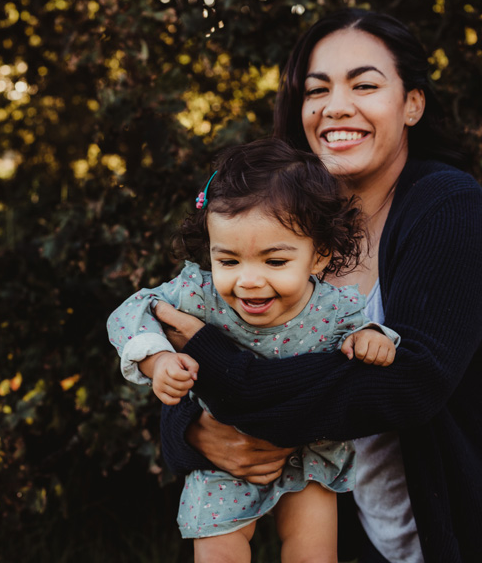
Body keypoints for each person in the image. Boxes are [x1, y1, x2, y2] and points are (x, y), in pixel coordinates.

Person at [155, 9, 482, 562]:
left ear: (413, 104)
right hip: (364, 542)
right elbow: (192, 340)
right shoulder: (287, 228)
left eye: (365, 84)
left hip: (481, 538)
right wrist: (191, 432)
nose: (336, 106)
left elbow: (410, 384)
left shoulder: (450, 209)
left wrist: (235, 389)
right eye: (317, 89)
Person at [106, 138, 402, 563]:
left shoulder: (334, 308)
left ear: (319, 256)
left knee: (314, 550)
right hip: (223, 449)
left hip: (307, 451)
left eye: (274, 261)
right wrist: (158, 360)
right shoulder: (199, 296)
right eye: (228, 261)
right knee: (219, 549)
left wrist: (371, 339)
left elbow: (368, 336)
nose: (248, 280)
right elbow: (130, 312)